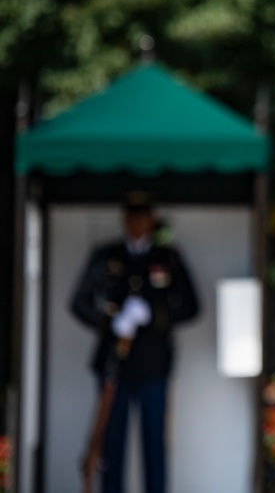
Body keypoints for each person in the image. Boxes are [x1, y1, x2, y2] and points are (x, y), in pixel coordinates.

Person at [70, 190, 201, 493]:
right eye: (131, 217)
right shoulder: (106, 256)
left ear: (152, 220)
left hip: (153, 364)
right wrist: (109, 320)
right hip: (114, 364)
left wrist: (154, 315)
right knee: (111, 442)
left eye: (143, 217)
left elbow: (191, 306)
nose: (137, 223)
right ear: (124, 219)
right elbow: (80, 303)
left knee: (154, 441)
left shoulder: (167, 258)